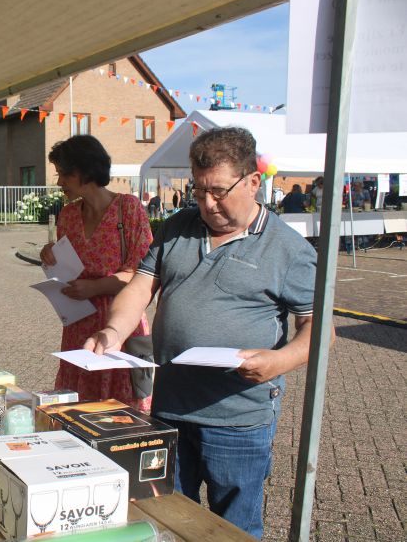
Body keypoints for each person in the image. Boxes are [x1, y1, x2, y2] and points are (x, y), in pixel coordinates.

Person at [84, 127, 322, 538]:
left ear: (253, 182)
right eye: (199, 190)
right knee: (169, 518)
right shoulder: (177, 227)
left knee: (234, 527)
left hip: (238, 417)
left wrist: (280, 361)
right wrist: (112, 331)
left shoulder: (288, 249)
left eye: (219, 191)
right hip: (171, 407)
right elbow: (140, 287)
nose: (208, 203)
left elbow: (318, 328)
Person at [40, 135, 153, 411]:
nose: (59, 182)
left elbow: (143, 275)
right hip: (78, 324)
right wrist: (50, 255)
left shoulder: (128, 209)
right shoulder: (68, 215)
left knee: (121, 413)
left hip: (120, 326)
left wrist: (95, 287)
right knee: (78, 409)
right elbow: (67, 265)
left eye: (63, 174)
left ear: (84, 172)